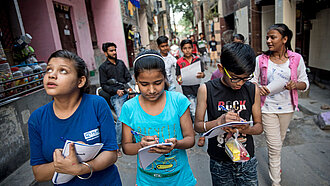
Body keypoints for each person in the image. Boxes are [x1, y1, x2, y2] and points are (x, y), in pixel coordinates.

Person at [28, 50, 121, 185]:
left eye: (63, 71)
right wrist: (62, 163)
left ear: (80, 81)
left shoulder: (97, 105)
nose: (52, 75)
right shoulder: (37, 119)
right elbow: (39, 173)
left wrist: (80, 168)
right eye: (49, 70)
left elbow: (111, 153)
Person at [120, 50, 197, 186]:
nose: (151, 90)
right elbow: (126, 147)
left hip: (180, 179)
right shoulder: (129, 108)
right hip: (147, 181)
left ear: (165, 78)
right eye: (144, 84)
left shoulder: (178, 101)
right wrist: (141, 145)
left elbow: (190, 139)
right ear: (136, 80)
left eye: (157, 83)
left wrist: (176, 144)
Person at [195, 43, 263, 186]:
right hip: (219, 160)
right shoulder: (206, 89)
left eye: (245, 78)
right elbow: (198, 126)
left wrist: (244, 128)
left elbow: (258, 127)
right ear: (221, 69)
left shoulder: (252, 89)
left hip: (246, 158)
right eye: (235, 78)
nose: (240, 83)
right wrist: (218, 122)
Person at [250, 23, 309, 186]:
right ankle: (276, 182)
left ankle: (275, 165)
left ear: (284, 39)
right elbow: (253, 80)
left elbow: (305, 83)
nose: (268, 40)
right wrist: (259, 89)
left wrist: (295, 85)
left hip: (288, 108)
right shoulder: (260, 59)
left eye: (273, 37)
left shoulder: (296, 59)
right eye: (267, 37)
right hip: (267, 108)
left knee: (278, 142)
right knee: (274, 146)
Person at [99, 42, 132, 157]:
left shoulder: (121, 63)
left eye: (115, 50)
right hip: (115, 96)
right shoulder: (103, 67)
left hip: (127, 92)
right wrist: (115, 91)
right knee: (120, 119)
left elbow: (128, 77)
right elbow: (103, 85)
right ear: (106, 53)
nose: (114, 52)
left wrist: (126, 85)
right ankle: (116, 146)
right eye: (111, 51)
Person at [176, 39, 205, 124]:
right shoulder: (179, 62)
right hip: (187, 89)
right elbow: (178, 76)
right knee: (193, 109)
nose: (187, 50)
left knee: (199, 109)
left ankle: (197, 125)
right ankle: (196, 127)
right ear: (182, 49)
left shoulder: (197, 60)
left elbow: (203, 74)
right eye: (185, 48)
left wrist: (202, 75)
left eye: (189, 48)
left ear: (192, 48)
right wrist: (179, 80)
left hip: (197, 89)